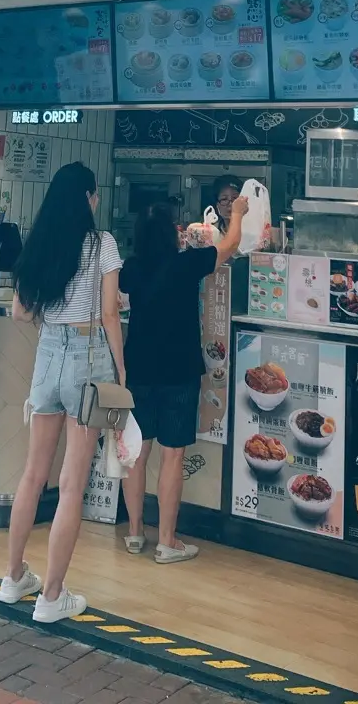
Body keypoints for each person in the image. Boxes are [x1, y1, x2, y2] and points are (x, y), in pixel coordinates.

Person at [0, 162, 124, 623]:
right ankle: (52, 596)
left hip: (48, 355)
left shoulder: (40, 241)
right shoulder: (102, 244)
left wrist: (54, 320)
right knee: (71, 483)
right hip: (89, 359)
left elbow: (19, 312)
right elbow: (109, 315)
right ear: (88, 198)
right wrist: (121, 373)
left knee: (33, 475)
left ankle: (13, 577)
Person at [119, 195, 246, 563]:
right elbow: (230, 245)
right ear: (171, 233)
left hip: (138, 369)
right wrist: (237, 214)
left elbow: (117, 301)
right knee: (173, 455)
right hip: (179, 370)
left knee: (136, 452)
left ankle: (134, 533)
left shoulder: (131, 268)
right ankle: (167, 541)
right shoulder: (187, 263)